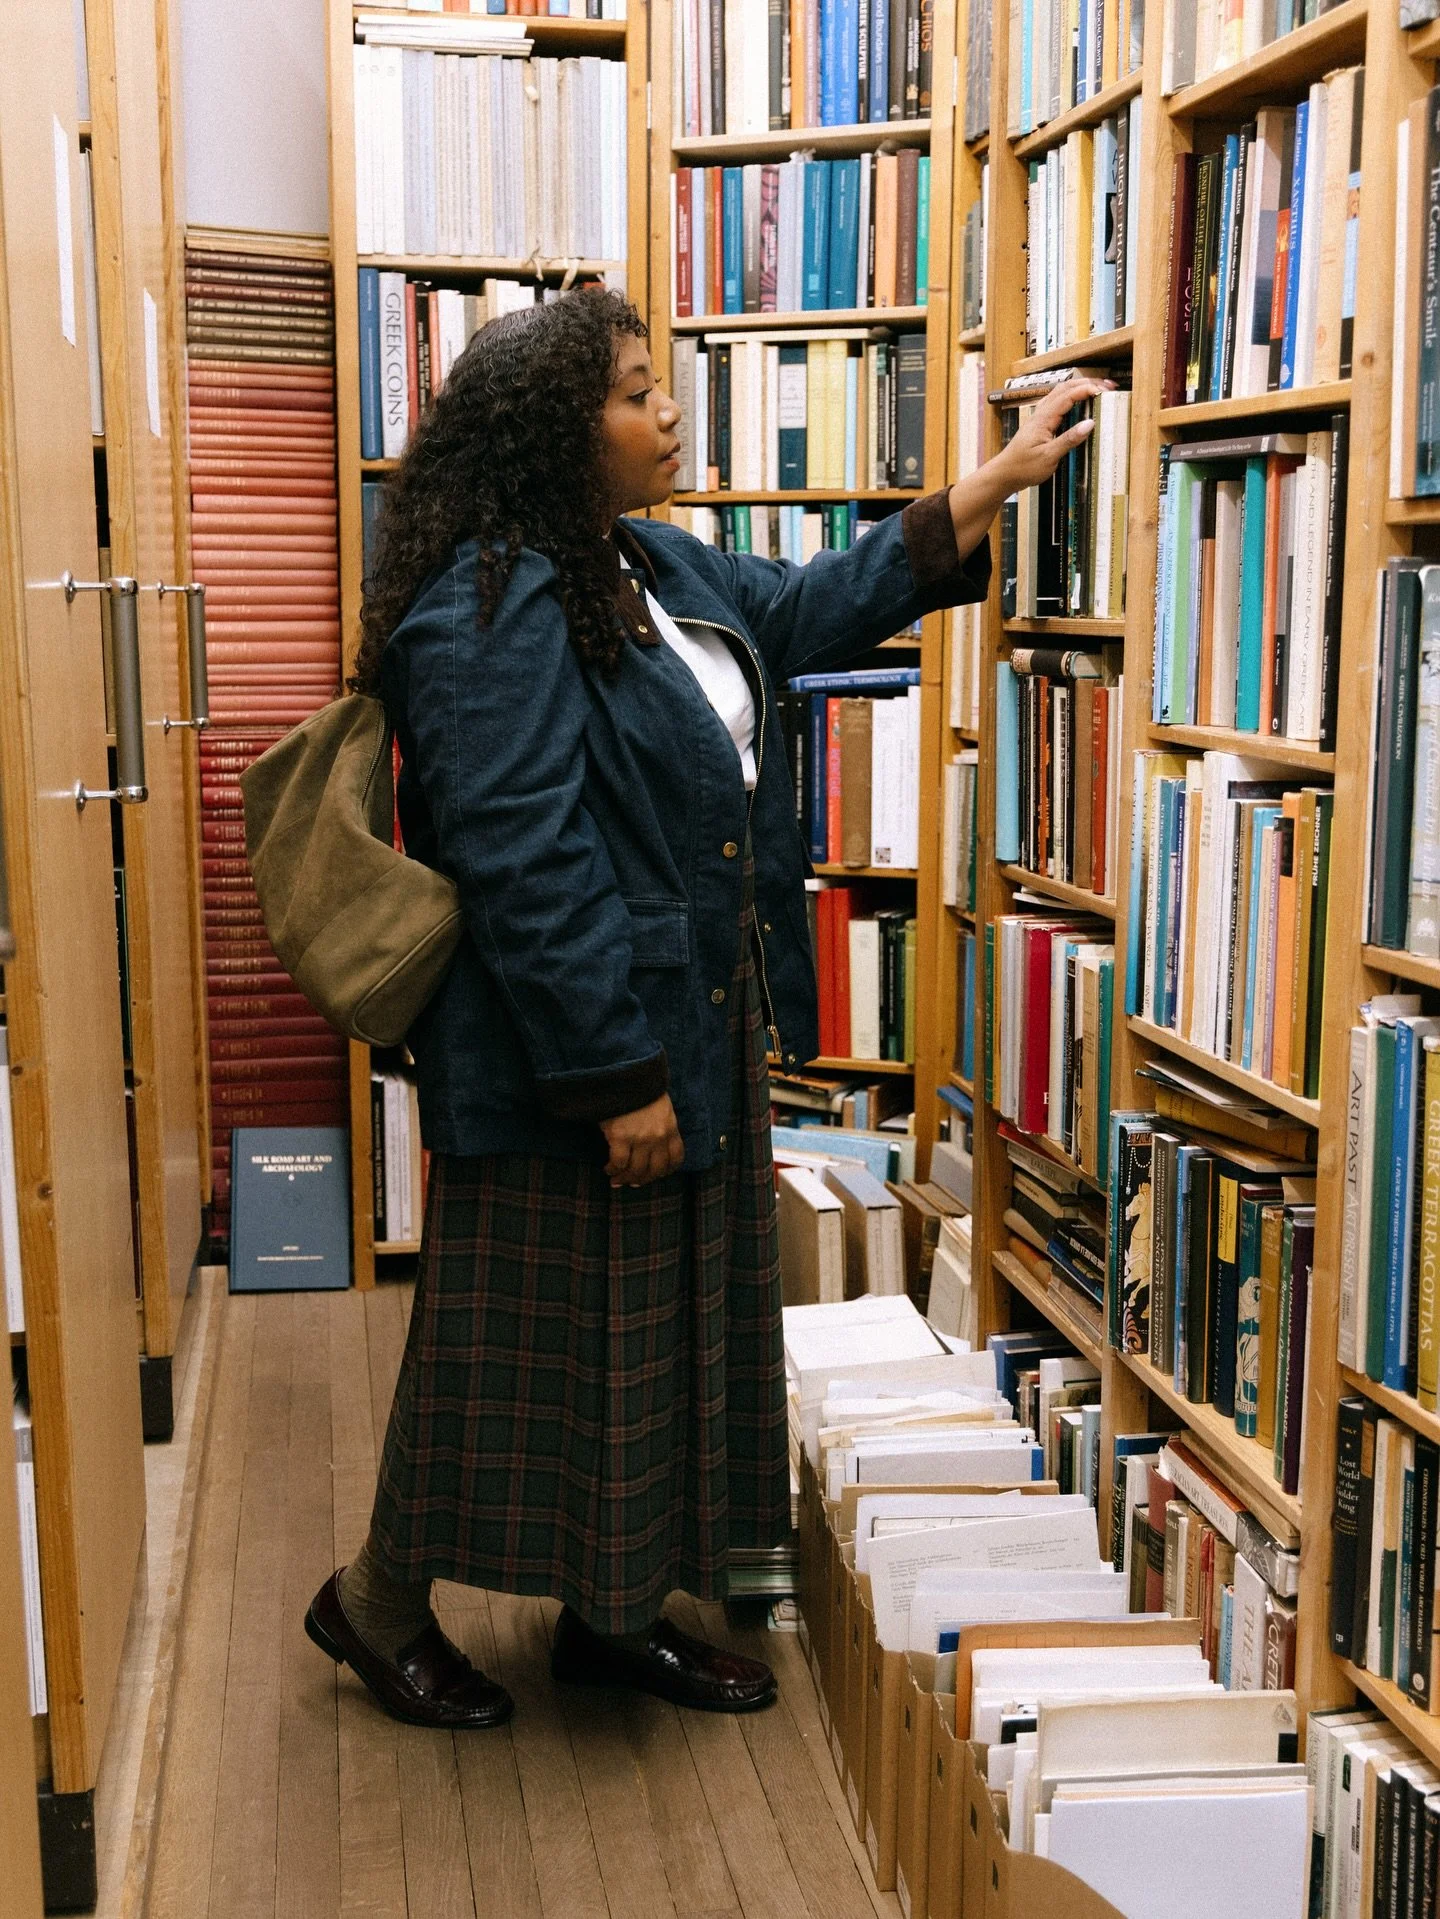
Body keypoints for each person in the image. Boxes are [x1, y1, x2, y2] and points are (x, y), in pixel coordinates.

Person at [304, 286, 1104, 1729]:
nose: (666, 409)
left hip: (694, 1018)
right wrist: (616, 1076)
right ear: (558, 430)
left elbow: (808, 607)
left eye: (659, 384)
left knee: (659, 1335)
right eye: (630, 392)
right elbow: (519, 854)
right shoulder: (486, 601)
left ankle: (611, 1613)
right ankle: (374, 1604)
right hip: (577, 1046)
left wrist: (993, 485)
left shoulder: (650, 565)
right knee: (506, 1342)